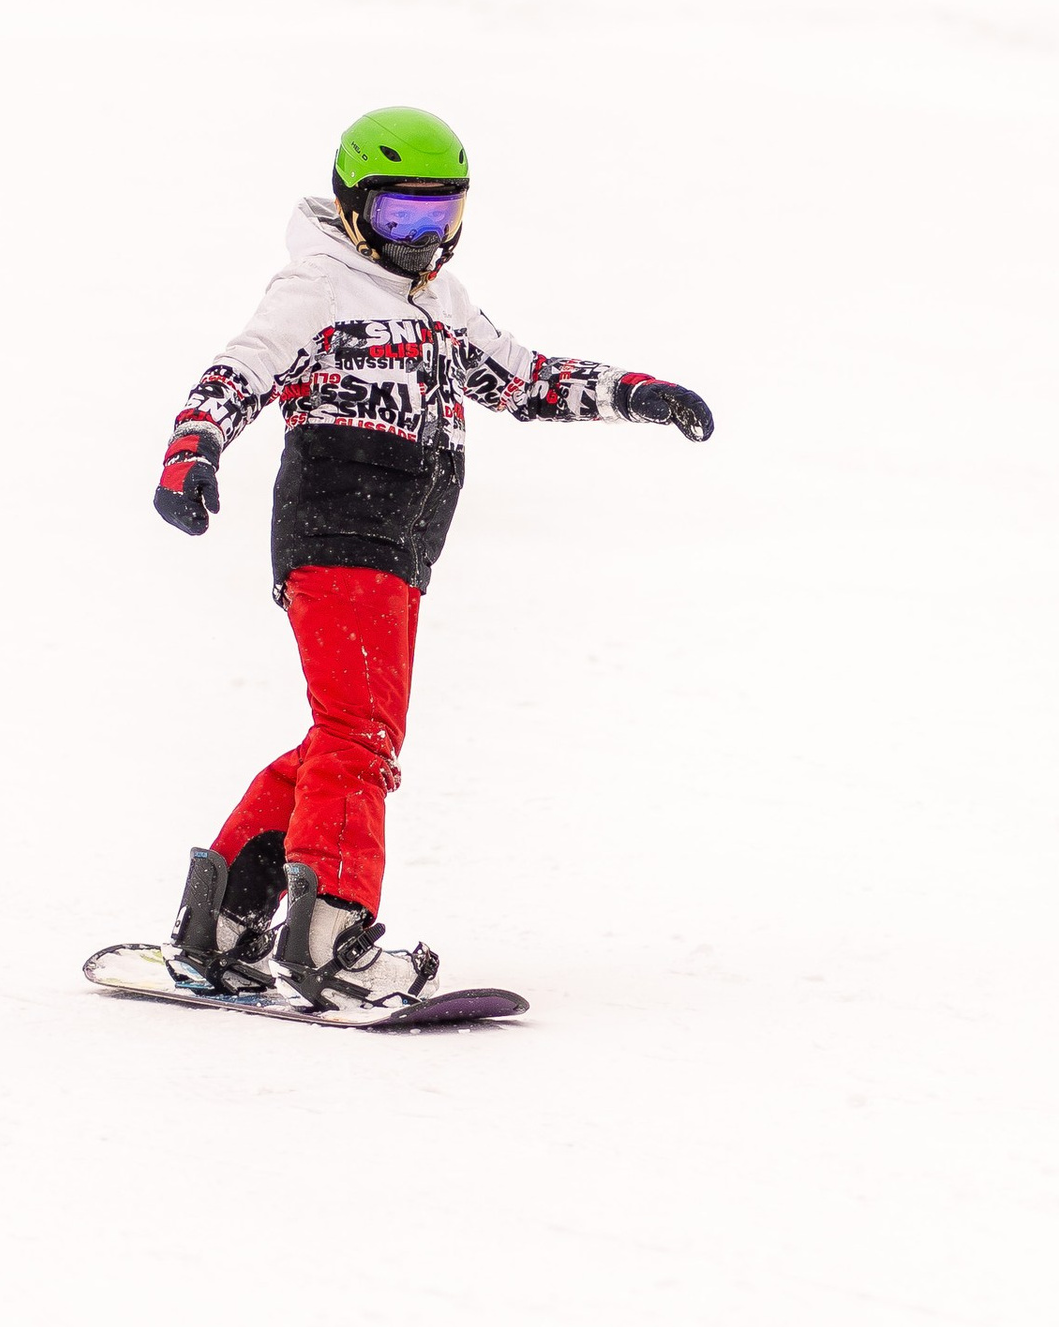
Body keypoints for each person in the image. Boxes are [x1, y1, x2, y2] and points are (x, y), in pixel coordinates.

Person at [152, 106, 713, 1004]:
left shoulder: (439, 302)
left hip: (396, 550)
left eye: (440, 217)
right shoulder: (318, 286)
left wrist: (634, 394)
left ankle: (219, 921)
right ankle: (330, 935)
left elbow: (523, 379)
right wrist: (193, 449)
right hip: (341, 533)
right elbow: (240, 369)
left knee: (338, 738)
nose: (421, 240)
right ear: (350, 208)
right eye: (400, 220)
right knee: (359, 738)